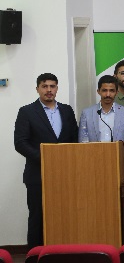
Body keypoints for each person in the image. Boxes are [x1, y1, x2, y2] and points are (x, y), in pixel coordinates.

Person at [14, 73, 78, 248]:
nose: (49, 90)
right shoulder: (26, 112)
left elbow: (75, 139)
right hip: (38, 176)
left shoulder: (67, 110)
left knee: (66, 216)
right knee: (38, 218)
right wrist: (47, 158)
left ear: (57, 88)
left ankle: (64, 254)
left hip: (65, 175)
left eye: (52, 86)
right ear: (37, 89)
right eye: (44, 86)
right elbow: (20, 143)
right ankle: (35, 259)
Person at [78, 75, 124, 168]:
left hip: (118, 164)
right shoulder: (87, 113)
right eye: (104, 90)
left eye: (111, 91)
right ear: (98, 91)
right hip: (93, 164)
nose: (108, 94)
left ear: (117, 92)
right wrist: (88, 167)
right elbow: (83, 144)